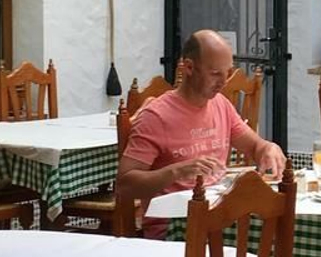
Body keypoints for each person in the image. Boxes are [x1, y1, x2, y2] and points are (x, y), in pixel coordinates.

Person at [117, 30, 288, 232]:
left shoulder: (220, 105)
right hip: (175, 226)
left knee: (282, 223)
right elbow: (124, 186)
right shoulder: (156, 117)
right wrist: (177, 171)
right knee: (274, 231)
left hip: (217, 213)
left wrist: (268, 148)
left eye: (227, 73)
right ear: (188, 67)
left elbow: (255, 146)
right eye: (215, 73)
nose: (223, 82)